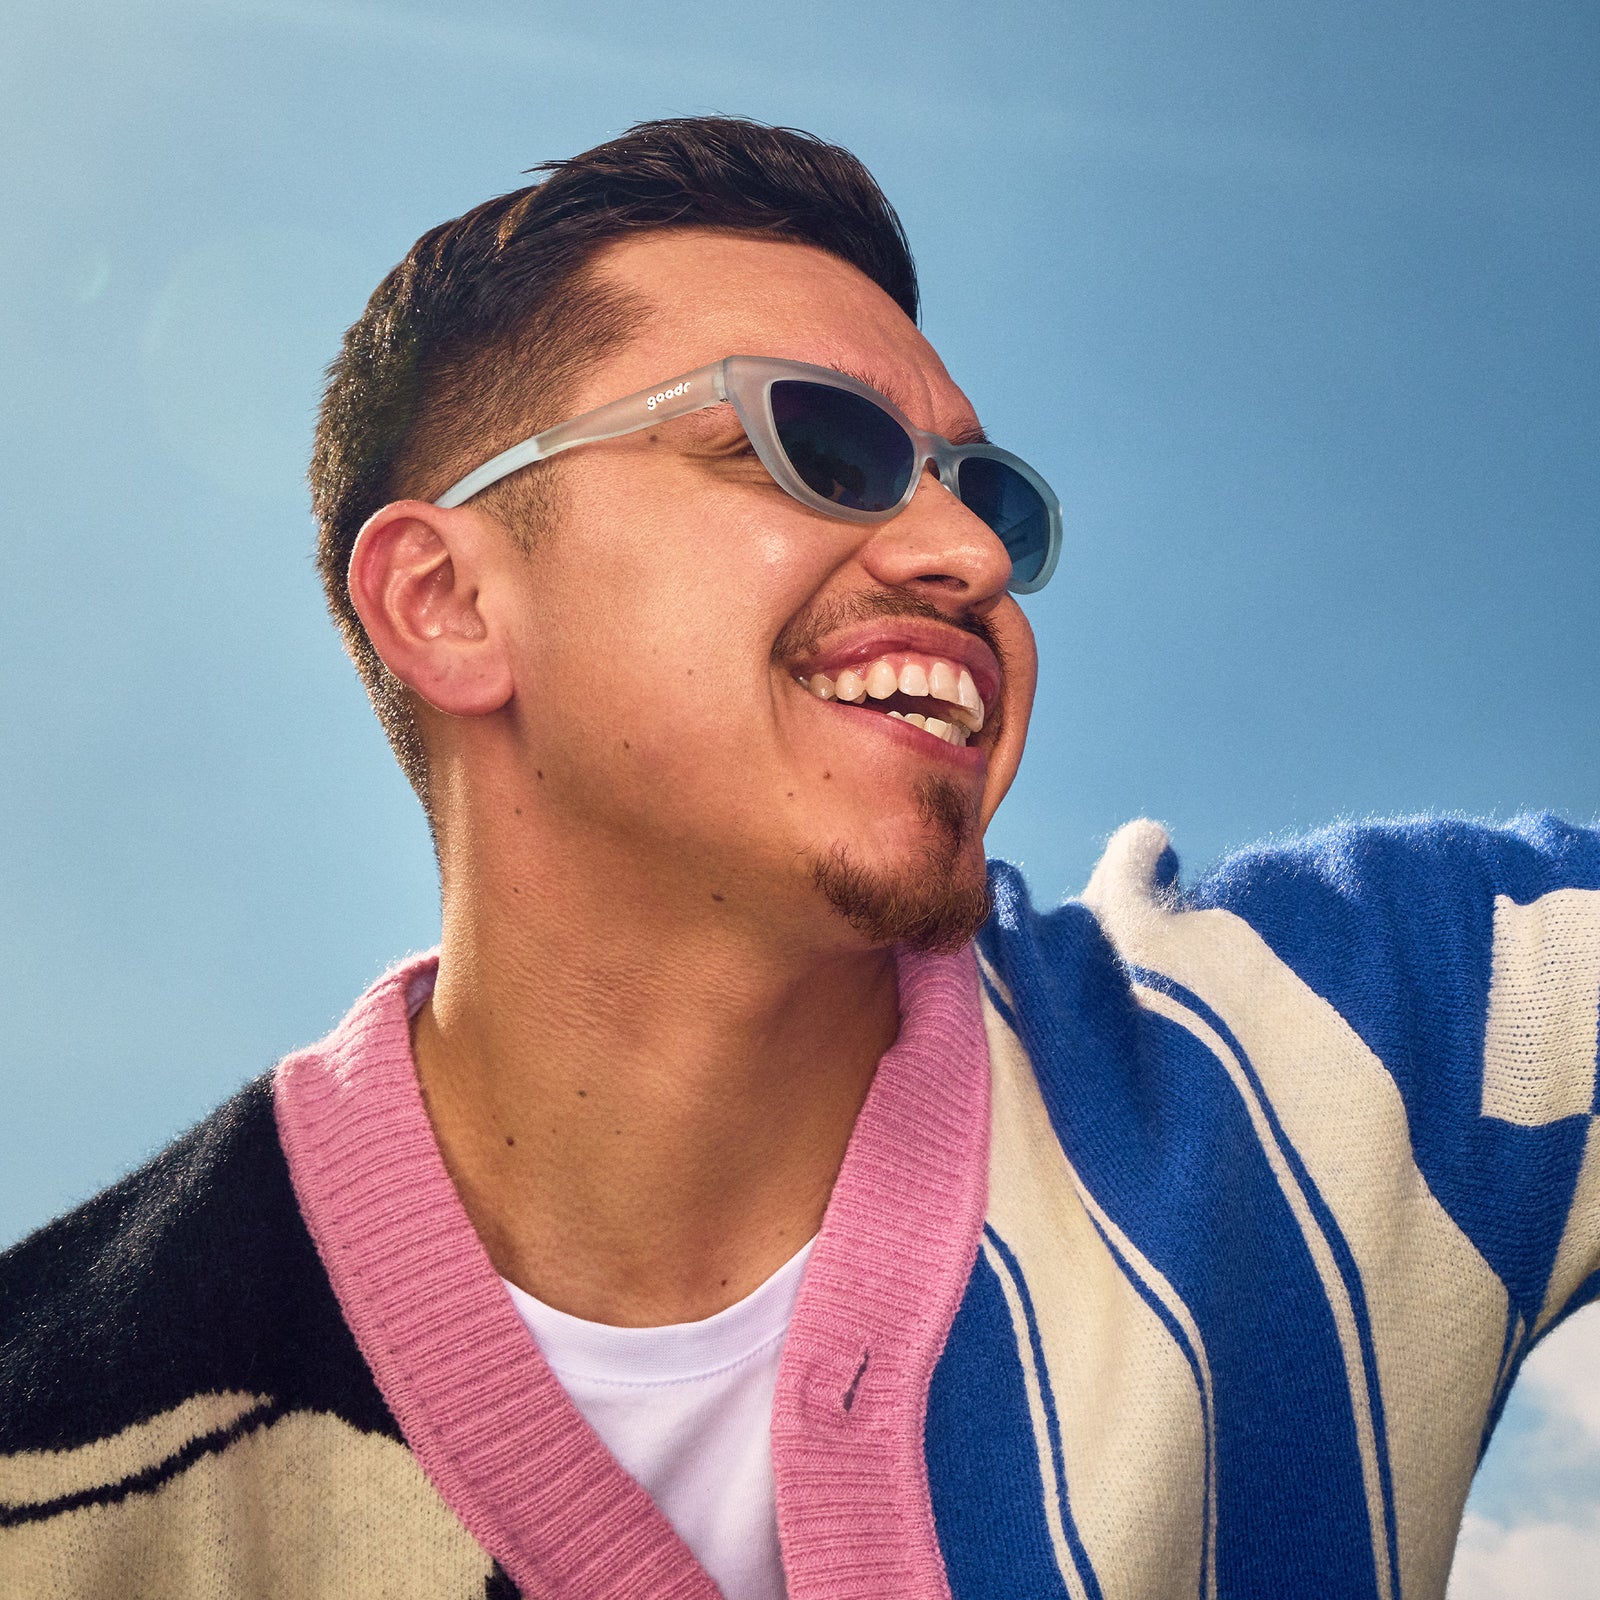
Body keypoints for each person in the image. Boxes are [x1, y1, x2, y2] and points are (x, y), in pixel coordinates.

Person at [1, 115, 1597, 1600]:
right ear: (448, 603)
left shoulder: (1374, 1039)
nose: (971, 555)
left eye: (987, 498)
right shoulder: (55, 1449)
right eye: (816, 446)